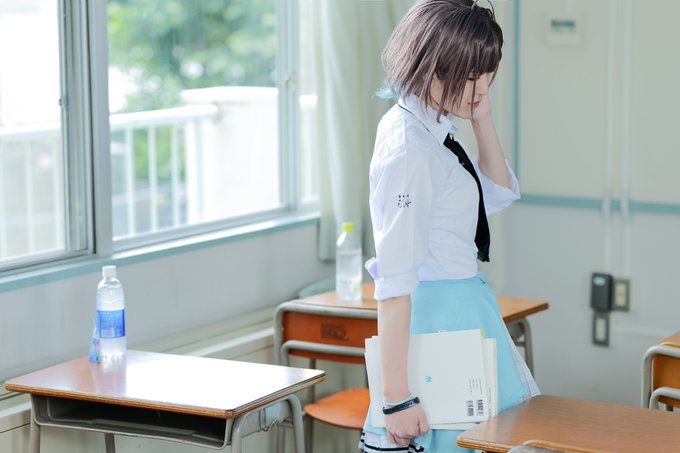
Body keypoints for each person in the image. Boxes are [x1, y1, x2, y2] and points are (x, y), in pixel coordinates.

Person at [360, 1, 540, 452]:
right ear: (432, 66)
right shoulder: (410, 149)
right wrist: (397, 399)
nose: (482, 88)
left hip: (463, 313)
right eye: (471, 76)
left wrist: (482, 117)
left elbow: (496, 192)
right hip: (437, 322)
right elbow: (394, 282)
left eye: (488, 75)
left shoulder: (435, 126)